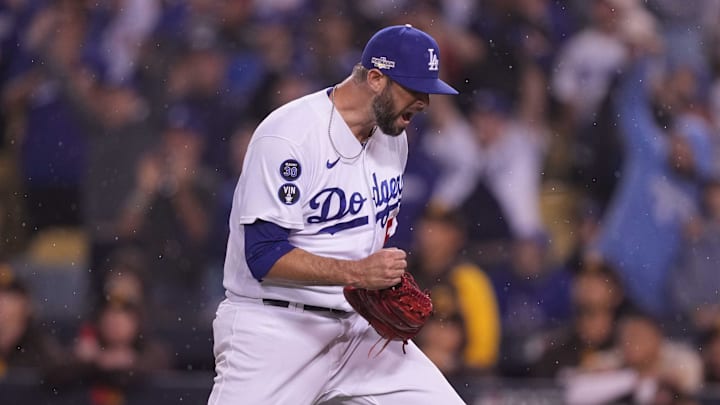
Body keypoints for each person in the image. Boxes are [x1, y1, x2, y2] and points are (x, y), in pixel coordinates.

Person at [207, 24, 465, 404]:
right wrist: (359, 274)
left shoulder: (395, 141)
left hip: (357, 331)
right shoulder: (290, 136)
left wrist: (376, 286)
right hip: (275, 329)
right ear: (376, 79)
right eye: (414, 89)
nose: (425, 102)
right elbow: (262, 255)